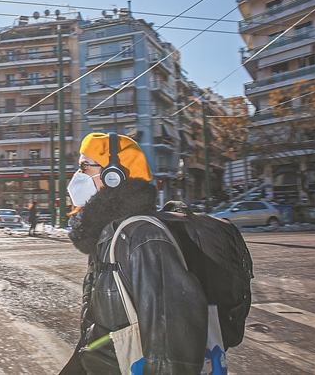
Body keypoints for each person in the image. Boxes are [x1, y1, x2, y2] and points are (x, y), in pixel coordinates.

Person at [60, 133, 208, 374]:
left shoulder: (142, 238)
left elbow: (172, 347)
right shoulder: (107, 236)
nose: (77, 176)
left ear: (114, 176)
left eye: (85, 167)